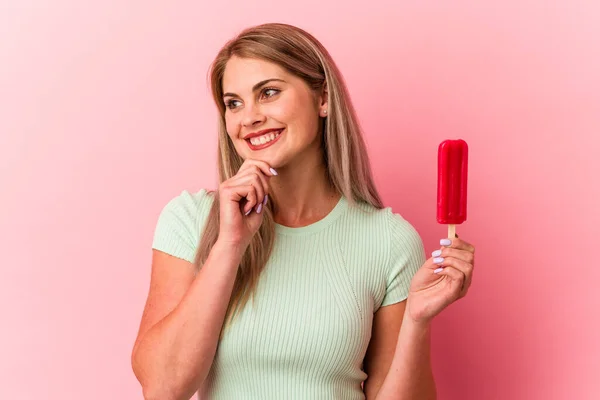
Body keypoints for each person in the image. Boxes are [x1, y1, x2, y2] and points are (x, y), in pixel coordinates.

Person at [131, 22, 476, 400]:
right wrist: (229, 245)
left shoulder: (388, 241)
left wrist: (417, 321)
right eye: (234, 103)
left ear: (323, 99)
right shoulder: (190, 221)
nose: (249, 118)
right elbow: (162, 389)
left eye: (269, 93)